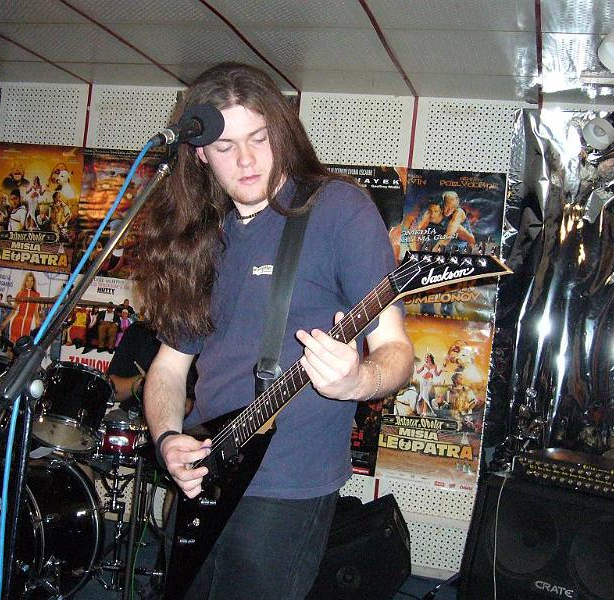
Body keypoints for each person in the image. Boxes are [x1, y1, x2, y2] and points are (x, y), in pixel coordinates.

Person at [136, 62, 413, 600]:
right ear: (199, 153)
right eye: (225, 146)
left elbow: (396, 349)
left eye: (259, 138)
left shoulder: (339, 209)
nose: (245, 160)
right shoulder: (199, 236)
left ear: (281, 133)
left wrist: (359, 380)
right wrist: (168, 439)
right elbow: (168, 368)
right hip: (208, 468)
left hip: (288, 484)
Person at [0, 272, 42, 343]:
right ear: (25, 282)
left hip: (29, 323)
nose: (29, 283)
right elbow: (13, 311)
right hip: (17, 322)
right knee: (13, 344)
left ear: (33, 282)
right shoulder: (20, 293)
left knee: (25, 344)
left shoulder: (37, 295)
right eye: (27, 280)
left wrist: (37, 325)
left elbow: (36, 312)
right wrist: (5, 322)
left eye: (31, 280)